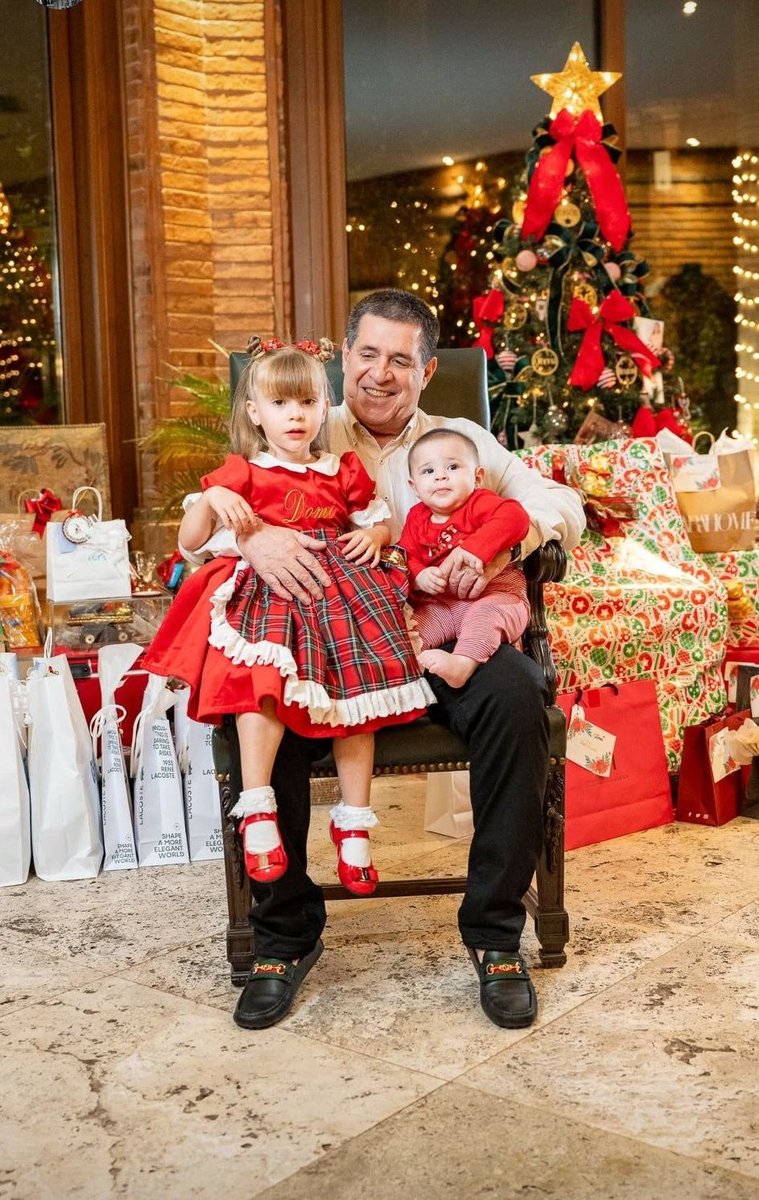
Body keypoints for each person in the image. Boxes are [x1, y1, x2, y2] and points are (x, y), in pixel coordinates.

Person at [199, 290, 585, 1032]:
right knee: (268, 694)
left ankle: (495, 932)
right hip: (337, 653)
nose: (380, 374)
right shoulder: (303, 421)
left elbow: (555, 501)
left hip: (442, 638)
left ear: (426, 369)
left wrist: (499, 541)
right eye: (367, 355)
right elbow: (225, 506)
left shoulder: (459, 437)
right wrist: (249, 539)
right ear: (344, 359)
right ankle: (284, 935)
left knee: (517, 695)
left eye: (400, 360)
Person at [143, 336, 434, 905]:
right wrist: (215, 497)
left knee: (360, 695)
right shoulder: (241, 472)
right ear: (255, 412)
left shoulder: (341, 468)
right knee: (261, 685)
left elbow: (380, 520)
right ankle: (257, 809)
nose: (295, 415)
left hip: (340, 594)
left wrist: (374, 534)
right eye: (280, 404)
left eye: (305, 402)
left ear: (322, 407)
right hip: (271, 594)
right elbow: (191, 542)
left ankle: (353, 821)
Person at [399, 427, 531, 688]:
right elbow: (405, 558)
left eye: (452, 467)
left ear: (477, 476)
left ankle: (462, 664)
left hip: (496, 594)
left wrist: (475, 548)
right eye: (428, 471)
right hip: (442, 606)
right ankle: (402, 668)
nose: (440, 477)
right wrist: (420, 576)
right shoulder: (416, 518)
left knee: (485, 615)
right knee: (408, 633)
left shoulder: (480, 503)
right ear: (414, 486)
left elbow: (516, 518)